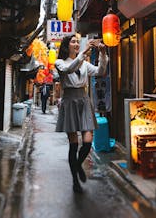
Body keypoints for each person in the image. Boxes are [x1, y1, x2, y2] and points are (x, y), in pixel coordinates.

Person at [55, 35, 108, 193]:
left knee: (87, 141)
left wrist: (103, 54)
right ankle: (75, 181)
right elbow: (69, 69)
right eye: (73, 41)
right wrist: (83, 54)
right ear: (66, 45)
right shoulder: (60, 63)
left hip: (84, 101)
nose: (77, 44)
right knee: (73, 144)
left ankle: (77, 165)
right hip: (70, 101)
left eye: (78, 41)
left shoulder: (84, 63)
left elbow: (100, 71)